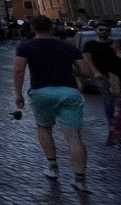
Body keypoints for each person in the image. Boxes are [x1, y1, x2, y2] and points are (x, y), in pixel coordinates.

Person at [14, 14, 89, 192]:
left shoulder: (26, 47)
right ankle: (80, 178)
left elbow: (19, 71)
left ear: (32, 28)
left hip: (42, 92)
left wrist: (19, 95)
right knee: (74, 137)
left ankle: (53, 166)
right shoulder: (66, 46)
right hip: (69, 91)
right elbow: (85, 69)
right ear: (51, 28)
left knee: (44, 127)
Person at [82, 21, 121, 146]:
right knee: (109, 101)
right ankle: (113, 129)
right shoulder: (90, 45)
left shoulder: (115, 44)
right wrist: (95, 73)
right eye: (101, 30)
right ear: (96, 31)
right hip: (102, 76)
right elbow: (87, 60)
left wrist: (116, 50)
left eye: (107, 30)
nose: (104, 32)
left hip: (117, 75)